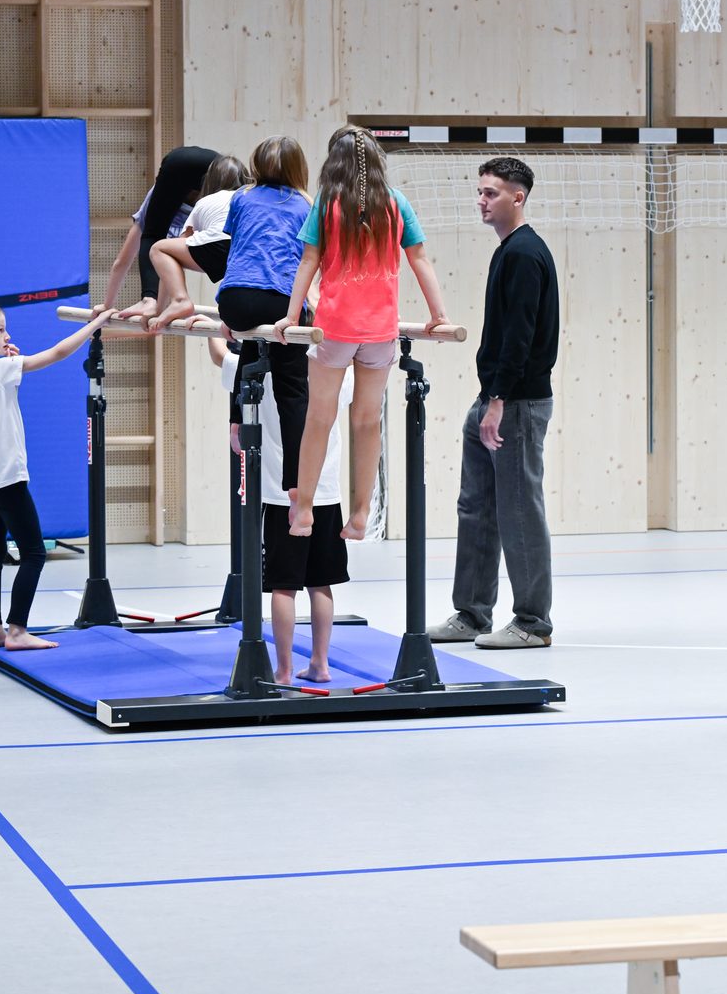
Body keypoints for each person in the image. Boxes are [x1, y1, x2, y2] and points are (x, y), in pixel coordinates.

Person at [275, 126, 449, 541]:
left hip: (334, 330)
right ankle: (360, 515)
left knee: (319, 417)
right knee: (368, 420)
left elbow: (308, 263)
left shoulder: (327, 204)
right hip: (378, 332)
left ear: (334, 162)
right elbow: (420, 259)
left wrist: (289, 316)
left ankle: (303, 512)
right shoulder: (395, 203)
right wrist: (438, 314)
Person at [428, 157, 560, 649]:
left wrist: (500, 400)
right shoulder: (507, 251)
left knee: (519, 510)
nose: (481, 201)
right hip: (492, 398)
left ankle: (531, 622)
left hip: (516, 404)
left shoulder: (525, 254)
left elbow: (521, 337)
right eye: (480, 192)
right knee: (476, 507)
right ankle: (472, 613)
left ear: (517, 197)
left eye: (491, 193)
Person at [0, 300, 113, 652]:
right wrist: (97, 323)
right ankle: (17, 631)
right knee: (33, 552)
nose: (8, 336)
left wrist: (6, 360)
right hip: (7, 480)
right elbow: (59, 352)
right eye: (0, 330)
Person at [207, 337, 349, 686]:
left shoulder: (267, 372)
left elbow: (220, 358)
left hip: (282, 495)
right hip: (324, 492)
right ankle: (320, 663)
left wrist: (217, 326)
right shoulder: (334, 372)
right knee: (320, 583)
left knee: (284, 587)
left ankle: (284, 671)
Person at [215, 137, 313, 492]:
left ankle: (236, 421)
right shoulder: (306, 204)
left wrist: (230, 312)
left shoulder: (240, 197)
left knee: (253, 344)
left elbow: (237, 249)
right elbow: (305, 260)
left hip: (235, 301)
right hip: (278, 302)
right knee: (292, 387)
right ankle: (295, 479)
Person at [95, 145, 221, 318]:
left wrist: (108, 304)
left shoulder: (155, 204)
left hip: (181, 163)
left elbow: (122, 262)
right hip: (221, 166)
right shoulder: (202, 213)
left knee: (152, 237)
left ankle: (149, 300)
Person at [145, 154, 251, 334]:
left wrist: (159, 308)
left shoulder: (205, 201)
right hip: (243, 256)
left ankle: (180, 300)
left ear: (210, 180)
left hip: (217, 246)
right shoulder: (248, 200)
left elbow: (175, 252)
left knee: (159, 249)